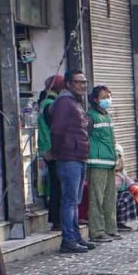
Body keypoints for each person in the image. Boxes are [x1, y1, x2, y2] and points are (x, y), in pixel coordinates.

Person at [50, 70, 94, 254]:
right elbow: (58, 130)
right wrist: (57, 151)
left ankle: (75, 236)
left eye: (84, 82)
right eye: (78, 82)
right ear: (68, 84)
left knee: (75, 201)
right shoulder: (64, 103)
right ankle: (68, 239)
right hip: (68, 157)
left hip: (78, 156)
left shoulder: (75, 102)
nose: (82, 86)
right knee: (69, 201)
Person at [85, 85, 120, 243]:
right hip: (97, 163)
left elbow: (111, 140)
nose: (107, 100)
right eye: (103, 97)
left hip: (109, 162)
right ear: (95, 100)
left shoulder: (107, 116)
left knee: (109, 199)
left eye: (109, 96)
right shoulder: (90, 117)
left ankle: (110, 228)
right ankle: (97, 232)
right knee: (96, 199)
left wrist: (117, 156)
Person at [38, 75, 65, 230]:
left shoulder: (44, 102)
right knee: (58, 186)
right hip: (53, 150)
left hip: (48, 148)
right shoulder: (51, 105)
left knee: (55, 184)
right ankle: (57, 220)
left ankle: (57, 219)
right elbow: (56, 128)